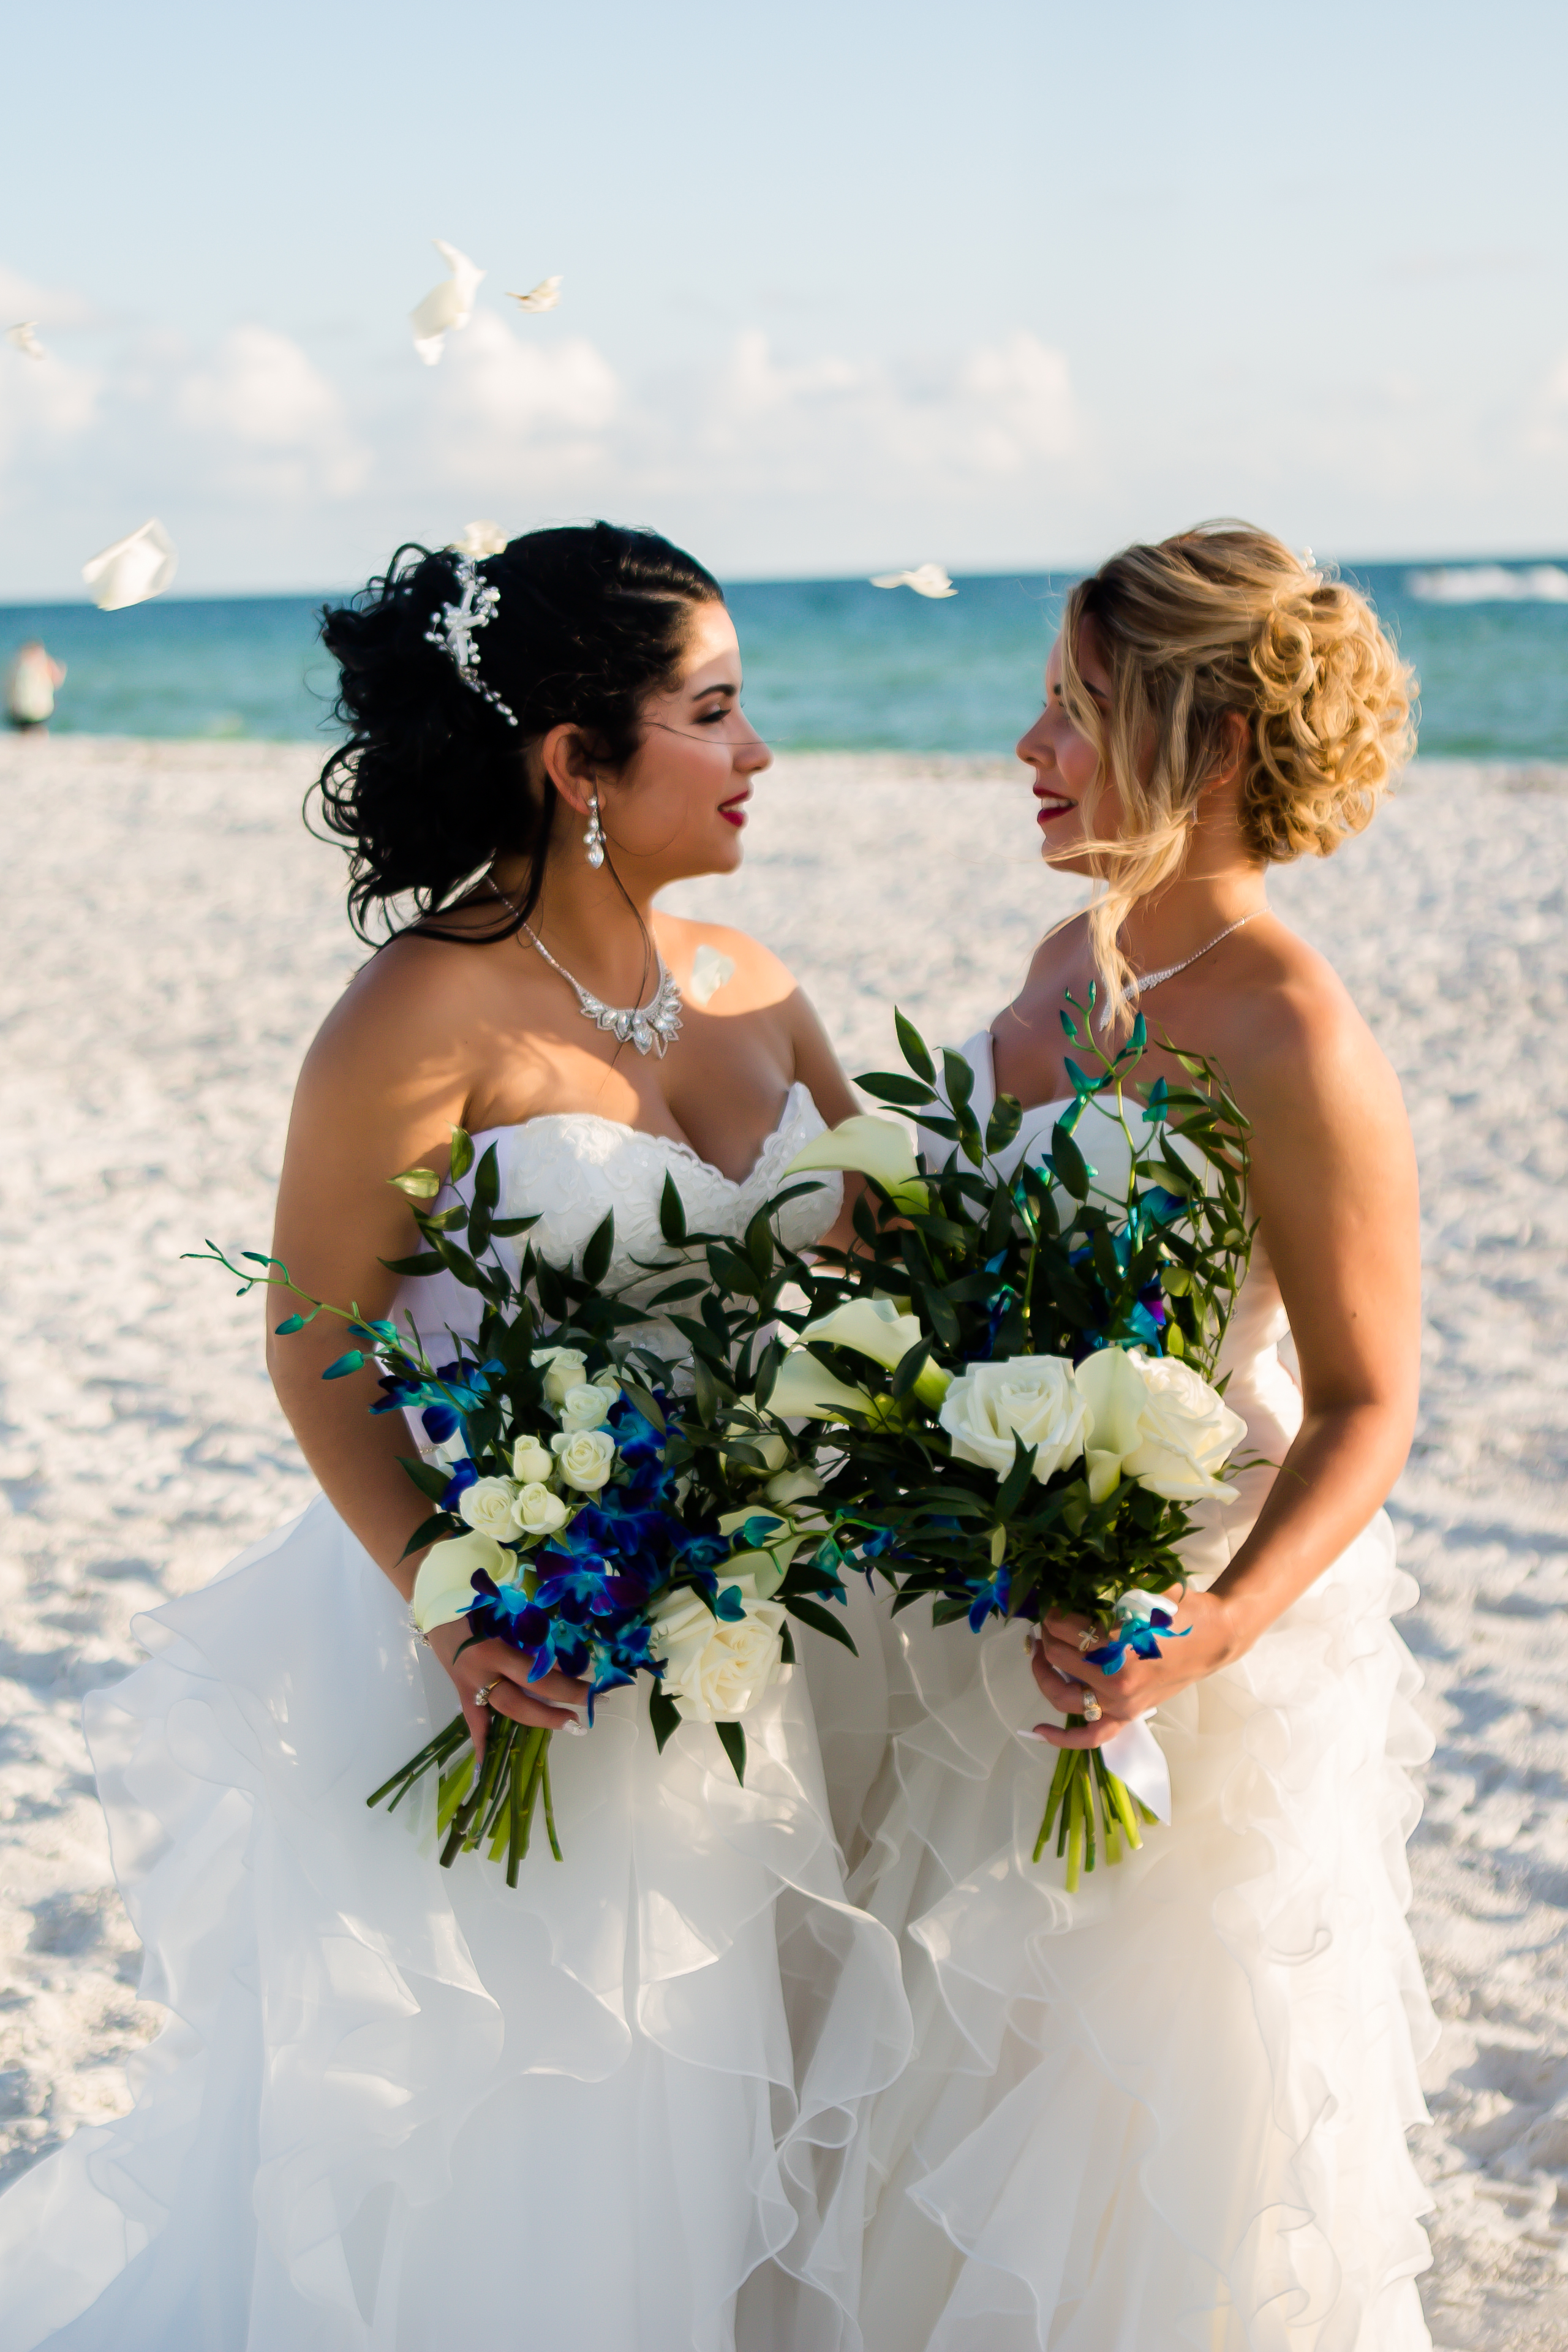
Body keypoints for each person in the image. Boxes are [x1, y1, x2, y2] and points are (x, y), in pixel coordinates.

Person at [0, 523, 908, 2350]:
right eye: (713, 712)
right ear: (577, 760)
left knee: (742, 2094)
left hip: (748, 1650)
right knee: (530, 2132)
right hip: (513, 1646)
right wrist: (447, 1584)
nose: (757, 755)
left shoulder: (755, 988)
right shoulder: (419, 1012)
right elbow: (316, 1338)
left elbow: (883, 1289)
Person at [848, 525, 1438, 2350]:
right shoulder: (1060, 964)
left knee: (1136, 2125)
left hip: (1180, 1632)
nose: (1027, 754)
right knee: (949, 2074)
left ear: (1212, 740)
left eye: (1071, 712)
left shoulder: (1291, 1031)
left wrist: (1217, 1627)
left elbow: (1364, 1398)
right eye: (1038, 706)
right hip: (988, 1611)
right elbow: (934, 1236)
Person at [6, 640, 66, 729]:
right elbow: (57, 682)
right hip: (40, 711)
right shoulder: (45, 663)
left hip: (19, 711)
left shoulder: (18, 665)